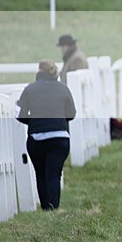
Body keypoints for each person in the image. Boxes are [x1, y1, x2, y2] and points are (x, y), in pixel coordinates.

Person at [16, 60, 77, 210]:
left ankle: (46, 208)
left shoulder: (30, 89)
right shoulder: (63, 88)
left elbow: (21, 115)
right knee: (54, 174)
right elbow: (71, 114)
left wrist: (35, 122)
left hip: (37, 137)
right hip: (60, 137)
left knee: (41, 174)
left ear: (39, 71)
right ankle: (53, 208)